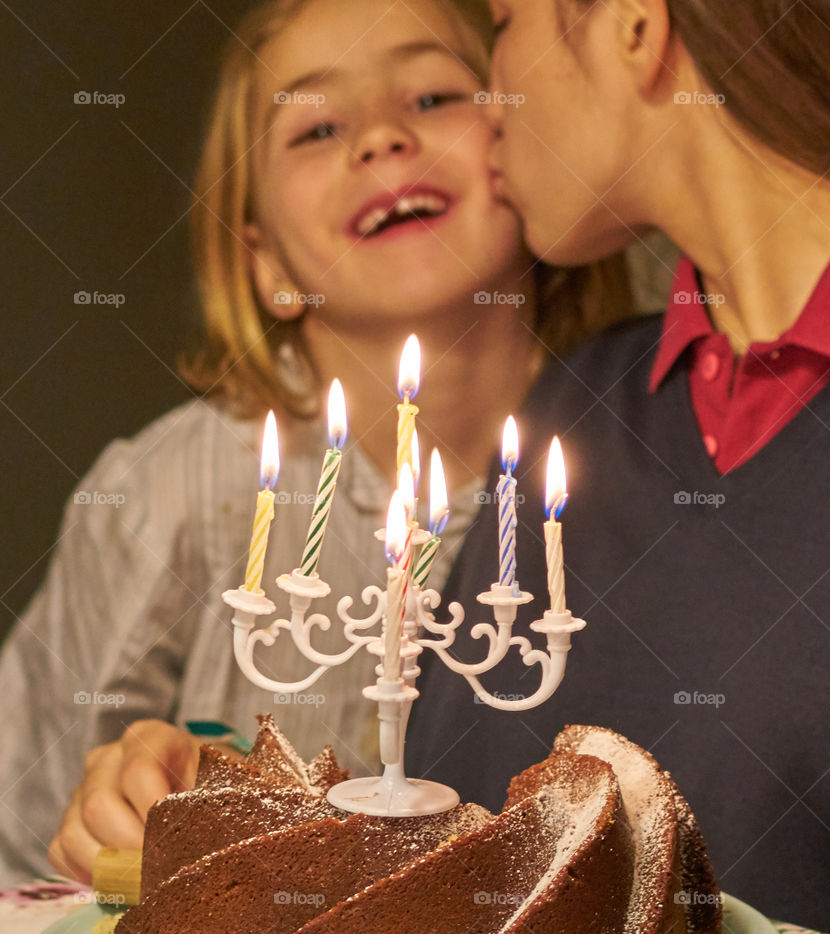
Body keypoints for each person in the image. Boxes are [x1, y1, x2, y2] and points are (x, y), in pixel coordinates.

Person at [0, 0, 635, 887]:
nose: (377, 139)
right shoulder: (171, 489)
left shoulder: (651, 455)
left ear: (526, 150)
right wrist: (114, 808)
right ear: (263, 260)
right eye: (316, 127)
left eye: (430, 99)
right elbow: (25, 826)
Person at [408, 0, 830, 934]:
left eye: (502, 19)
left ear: (633, 24)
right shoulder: (574, 415)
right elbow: (454, 837)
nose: (485, 89)